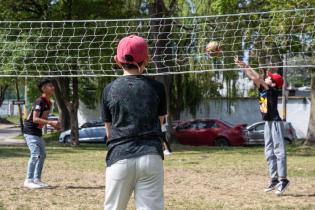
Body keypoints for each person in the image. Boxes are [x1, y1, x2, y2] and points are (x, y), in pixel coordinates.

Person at [101, 35, 167, 210]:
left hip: (119, 157)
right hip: (151, 156)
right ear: (147, 59)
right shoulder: (158, 88)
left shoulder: (109, 89)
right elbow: (160, 123)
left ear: (117, 60)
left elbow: (109, 131)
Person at [234, 56, 289, 195]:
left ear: (273, 83)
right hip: (267, 123)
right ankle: (274, 179)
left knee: (279, 151)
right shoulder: (263, 90)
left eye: (269, 78)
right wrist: (242, 66)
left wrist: (246, 64)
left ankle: (283, 180)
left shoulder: (272, 90)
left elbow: (257, 77)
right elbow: (254, 78)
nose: (267, 77)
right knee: (269, 151)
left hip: (275, 122)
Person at [23, 79, 60, 189]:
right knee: (35, 155)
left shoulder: (49, 102)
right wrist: (51, 122)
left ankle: (36, 179)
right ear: (43, 89)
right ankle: (28, 180)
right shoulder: (40, 101)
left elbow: (43, 118)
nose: (53, 87)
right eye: (50, 86)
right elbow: (35, 119)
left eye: (52, 85)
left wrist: (54, 125)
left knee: (42, 155)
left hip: (37, 132)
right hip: (30, 131)